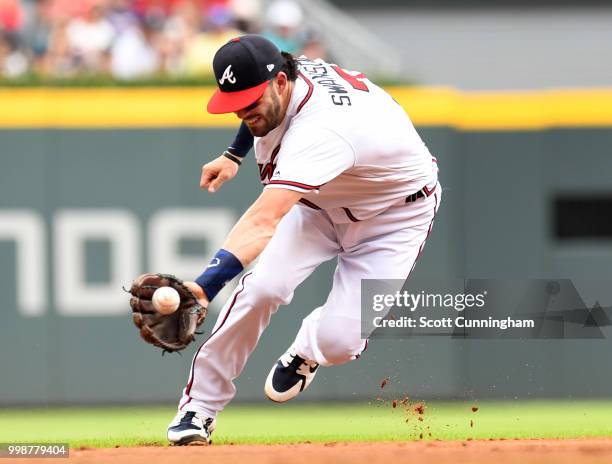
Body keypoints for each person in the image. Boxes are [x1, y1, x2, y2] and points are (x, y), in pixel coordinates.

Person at [167, 34, 441, 445]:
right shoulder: (286, 75)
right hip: (319, 204)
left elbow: (263, 221)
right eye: (235, 104)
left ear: (280, 83)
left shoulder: (324, 130)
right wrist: (234, 153)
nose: (244, 112)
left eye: (251, 102)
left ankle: (307, 351)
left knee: (341, 342)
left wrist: (204, 288)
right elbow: (258, 110)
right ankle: (198, 408)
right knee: (261, 288)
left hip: (394, 218)